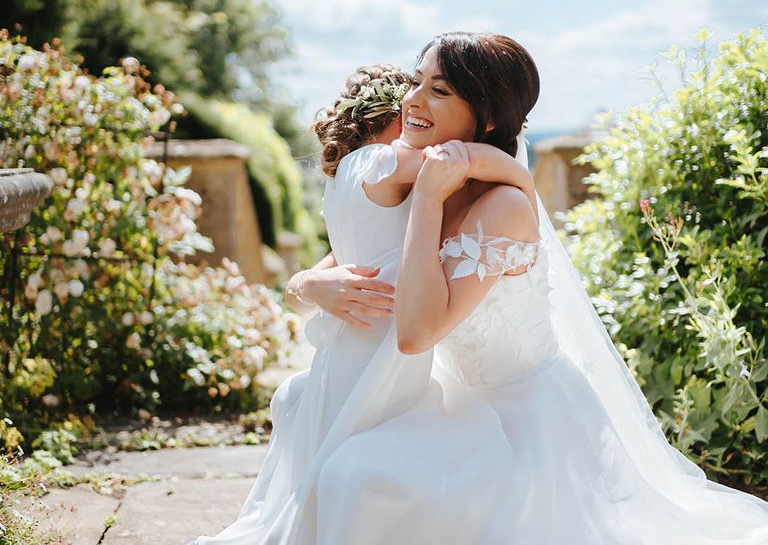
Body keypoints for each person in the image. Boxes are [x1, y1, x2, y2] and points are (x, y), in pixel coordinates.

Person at [312, 32, 768, 544]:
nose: (412, 100)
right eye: (416, 82)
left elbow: (416, 334)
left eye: (438, 91)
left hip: (526, 429)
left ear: (486, 117)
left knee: (356, 475)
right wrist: (307, 281)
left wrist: (432, 201)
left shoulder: (498, 206)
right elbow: (349, 256)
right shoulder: (434, 175)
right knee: (345, 464)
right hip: (456, 409)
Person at [192, 62, 535, 544]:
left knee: (343, 446)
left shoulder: (375, 179)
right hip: (383, 348)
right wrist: (521, 171)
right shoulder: (389, 167)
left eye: (433, 92)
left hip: (412, 358)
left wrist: (310, 284)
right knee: (341, 434)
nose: (415, 107)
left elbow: (345, 261)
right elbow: (447, 166)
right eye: (411, 94)